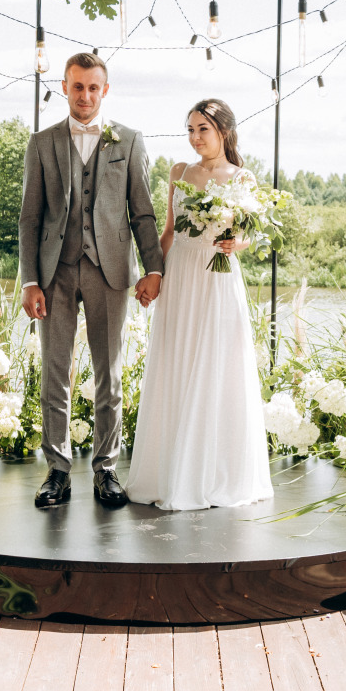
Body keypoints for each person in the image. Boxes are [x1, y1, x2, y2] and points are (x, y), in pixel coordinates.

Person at [19, 52, 165, 508]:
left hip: (112, 270)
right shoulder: (41, 143)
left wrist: (154, 268)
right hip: (54, 271)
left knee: (110, 373)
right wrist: (29, 281)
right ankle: (57, 471)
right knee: (55, 372)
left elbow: (143, 214)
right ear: (64, 87)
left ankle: (106, 470)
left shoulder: (131, 141)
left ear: (105, 90)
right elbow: (29, 217)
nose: (85, 95)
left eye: (93, 87)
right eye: (77, 86)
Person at [126, 99, 274, 511]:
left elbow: (249, 237)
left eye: (202, 129)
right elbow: (170, 229)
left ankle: (212, 475)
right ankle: (168, 471)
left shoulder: (243, 178)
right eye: (190, 129)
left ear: (223, 130)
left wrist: (236, 243)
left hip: (218, 276)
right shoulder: (180, 172)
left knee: (217, 366)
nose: (194, 138)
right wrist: (153, 274)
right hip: (181, 274)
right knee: (177, 361)